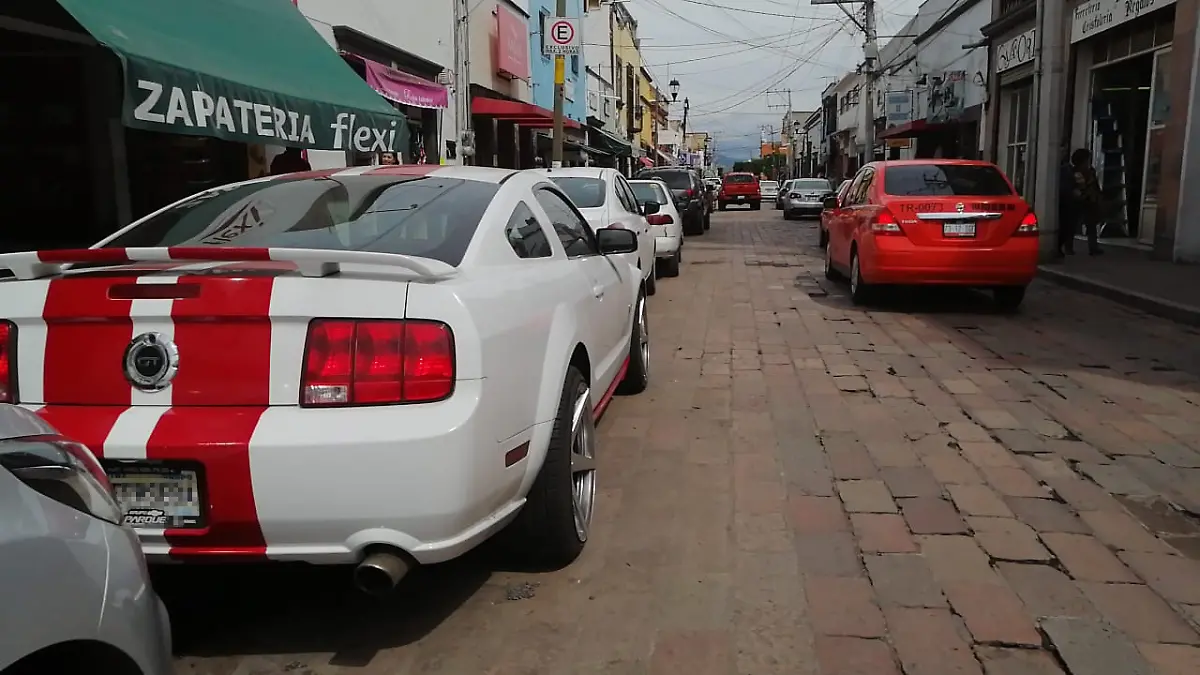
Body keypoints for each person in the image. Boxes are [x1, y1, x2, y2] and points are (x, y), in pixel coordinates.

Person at [1068, 148, 1104, 256]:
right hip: (1078, 201)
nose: (1088, 162)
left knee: (1091, 225)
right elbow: (1074, 186)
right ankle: (1068, 247)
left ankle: (1093, 247)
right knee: (1072, 225)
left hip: (1090, 201)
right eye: (1086, 160)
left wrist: (1097, 195)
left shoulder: (1091, 171)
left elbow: (1095, 185)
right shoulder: (1074, 172)